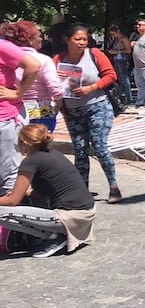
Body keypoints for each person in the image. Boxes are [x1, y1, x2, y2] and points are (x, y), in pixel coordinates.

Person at [0, 124, 96, 257]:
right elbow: (44, 190)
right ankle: (53, 235)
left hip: (71, 216)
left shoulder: (31, 161)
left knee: (1, 213)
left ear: (24, 143)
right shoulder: (54, 154)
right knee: (27, 199)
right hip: (87, 212)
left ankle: (55, 237)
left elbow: (12, 201)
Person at [53, 25, 122, 203]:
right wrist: (55, 76)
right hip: (73, 111)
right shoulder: (58, 59)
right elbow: (49, 82)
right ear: (67, 40)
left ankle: (114, 187)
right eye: (78, 39)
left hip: (98, 107)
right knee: (80, 150)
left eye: (84, 39)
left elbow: (111, 75)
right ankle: (82, 190)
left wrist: (91, 88)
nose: (82, 43)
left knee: (100, 147)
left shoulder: (95, 54)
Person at [1, 21, 63, 130]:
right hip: (42, 107)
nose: (41, 39)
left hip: (17, 109)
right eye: (39, 36)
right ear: (30, 40)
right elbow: (55, 88)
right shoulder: (43, 60)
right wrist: (58, 105)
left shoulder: (7, 58)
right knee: (41, 143)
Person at [0, 36, 41, 194]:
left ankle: (9, 213)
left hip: (3, 118)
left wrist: (18, 92)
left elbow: (33, 65)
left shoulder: (3, 46)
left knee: (7, 173)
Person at [106, 25, 133, 104]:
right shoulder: (117, 40)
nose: (113, 36)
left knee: (125, 79)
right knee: (120, 79)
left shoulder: (124, 39)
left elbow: (128, 51)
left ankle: (129, 97)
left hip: (123, 60)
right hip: (117, 60)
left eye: (113, 34)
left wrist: (117, 52)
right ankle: (123, 97)